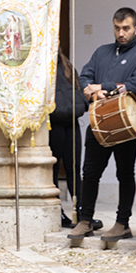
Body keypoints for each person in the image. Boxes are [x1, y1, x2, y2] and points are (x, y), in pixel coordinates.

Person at [68, 8, 136, 243]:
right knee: (90, 172)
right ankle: (85, 221)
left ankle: (122, 223)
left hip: (127, 124)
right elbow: (84, 78)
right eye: (117, 28)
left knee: (125, 174)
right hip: (98, 122)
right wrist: (94, 91)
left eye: (126, 28)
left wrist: (101, 86)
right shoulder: (101, 52)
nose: (121, 33)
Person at [49, 53, 88, 228]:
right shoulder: (41, 66)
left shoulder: (67, 65)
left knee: (74, 169)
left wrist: (82, 105)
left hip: (72, 122)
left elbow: (77, 87)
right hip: (55, 123)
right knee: (53, 168)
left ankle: (81, 212)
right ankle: (57, 213)